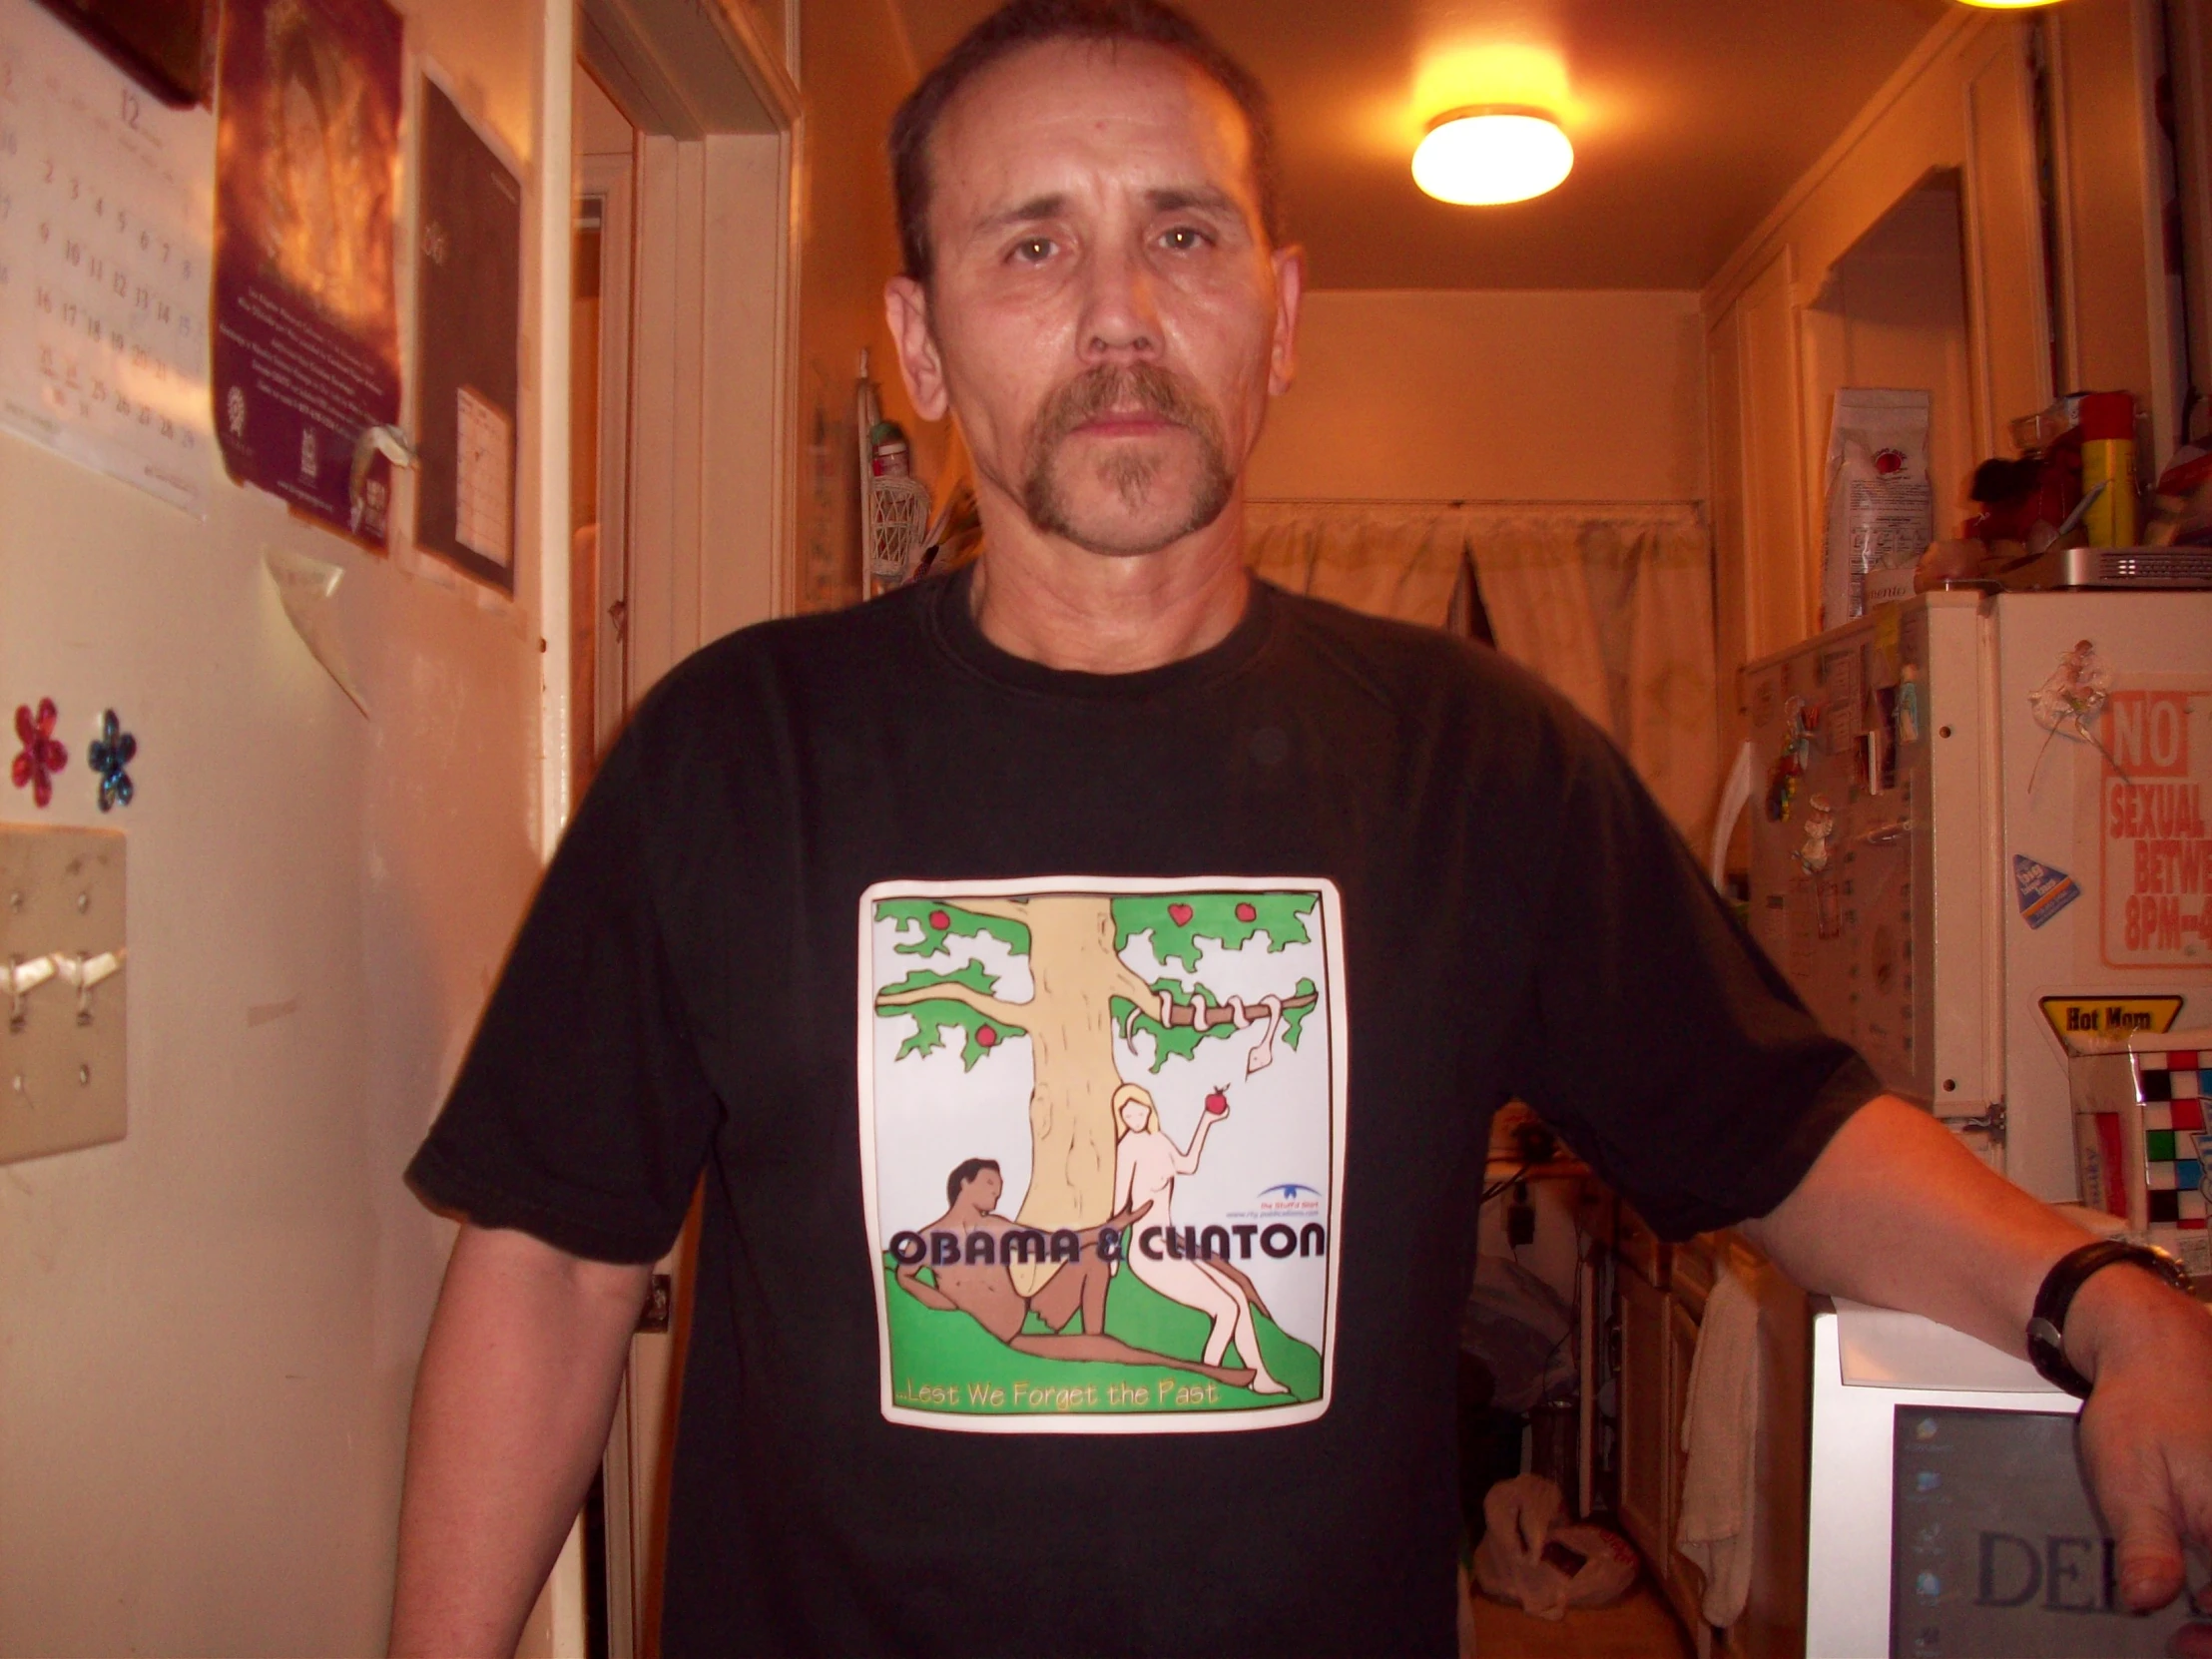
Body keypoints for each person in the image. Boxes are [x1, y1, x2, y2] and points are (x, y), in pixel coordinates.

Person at [390, 2, 2212, 1654]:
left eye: (1181, 234)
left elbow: (1780, 1130)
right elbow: (553, 1261)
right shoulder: (730, 747)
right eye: (1032, 244)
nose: (1117, 311)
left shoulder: (1478, 762)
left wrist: (2102, 1291)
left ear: (1276, 315)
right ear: (920, 344)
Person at [891, 1155, 1253, 1385]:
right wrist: (941, 1303)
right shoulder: (928, 1239)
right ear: (964, 1183)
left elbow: (1057, 1243)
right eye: (989, 1185)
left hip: (1032, 1314)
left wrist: (1116, 1224)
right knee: (1125, 1353)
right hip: (1013, 1337)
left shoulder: (996, 1228)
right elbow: (903, 1275)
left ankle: (1093, 1340)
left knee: (1093, 1253)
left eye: (999, 1191)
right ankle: (1209, 1373)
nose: (996, 1195)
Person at [1109, 1082, 1287, 1393]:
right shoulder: (1127, 1148)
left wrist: (1207, 1119)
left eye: (1140, 1110)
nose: (1135, 1116)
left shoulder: (1160, 1141)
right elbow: (1118, 1202)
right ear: (1120, 1117)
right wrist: (1110, 1252)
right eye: (1127, 1113)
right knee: (1226, 1308)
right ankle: (1211, 1377)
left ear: (1149, 1109)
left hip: (1166, 1242)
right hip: (1146, 1250)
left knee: (1237, 1298)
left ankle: (1259, 1376)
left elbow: (1188, 1164)